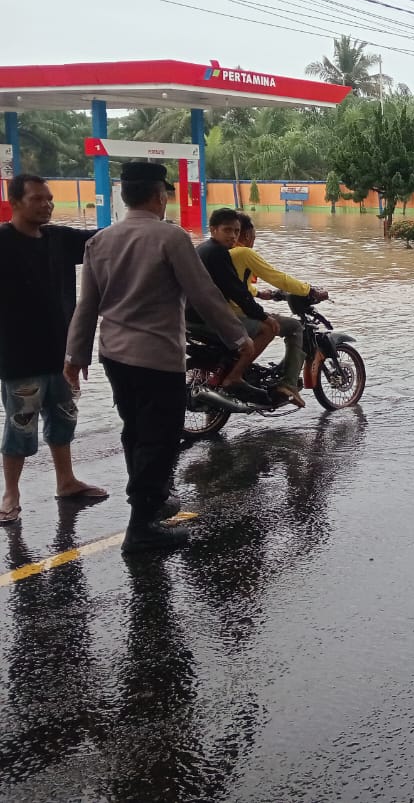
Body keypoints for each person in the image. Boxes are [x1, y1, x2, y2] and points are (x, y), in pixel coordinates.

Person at [64, 162, 258, 553]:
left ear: (123, 196)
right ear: (159, 196)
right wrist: (239, 337)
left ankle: (150, 500)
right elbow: (203, 294)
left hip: (114, 356)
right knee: (160, 437)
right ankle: (143, 526)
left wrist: (75, 354)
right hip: (157, 357)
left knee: (134, 430)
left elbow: (87, 305)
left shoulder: (100, 241)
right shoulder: (171, 238)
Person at [0, 174, 109, 525]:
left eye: (49, 199)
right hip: (19, 356)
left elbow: (106, 241)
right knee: (20, 425)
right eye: (37, 199)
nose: (47, 204)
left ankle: (66, 481)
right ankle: (11, 493)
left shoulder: (59, 239)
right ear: (14, 201)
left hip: (61, 353)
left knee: (64, 419)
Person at [231, 213, 328, 406]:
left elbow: (234, 283)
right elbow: (277, 277)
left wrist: (258, 293)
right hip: (236, 313)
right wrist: (310, 290)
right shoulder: (244, 253)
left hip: (220, 310)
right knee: (294, 327)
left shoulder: (222, 252)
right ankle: (288, 383)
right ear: (248, 234)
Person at [186, 209, 278, 403]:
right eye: (227, 230)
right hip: (204, 318)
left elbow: (232, 289)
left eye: (236, 231)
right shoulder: (218, 253)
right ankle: (234, 377)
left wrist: (256, 295)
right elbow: (236, 291)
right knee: (265, 331)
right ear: (213, 230)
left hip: (190, 315)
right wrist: (264, 316)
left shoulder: (204, 248)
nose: (233, 236)